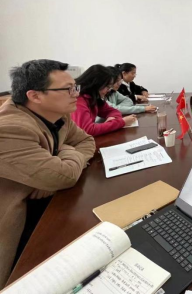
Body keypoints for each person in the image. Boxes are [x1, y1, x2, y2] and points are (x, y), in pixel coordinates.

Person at [0, 60, 96, 288]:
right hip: (14, 226)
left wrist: (57, 161)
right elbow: (63, 177)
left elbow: (86, 141)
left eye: (75, 87)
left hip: (44, 206)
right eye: (68, 89)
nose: (76, 94)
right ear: (35, 96)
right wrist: (65, 154)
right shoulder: (10, 129)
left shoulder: (58, 115)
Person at [71, 65, 136, 136]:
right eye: (107, 86)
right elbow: (87, 130)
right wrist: (121, 122)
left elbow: (113, 111)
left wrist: (113, 119)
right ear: (96, 84)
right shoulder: (78, 100)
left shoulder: (94, 97)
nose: (108, 90)